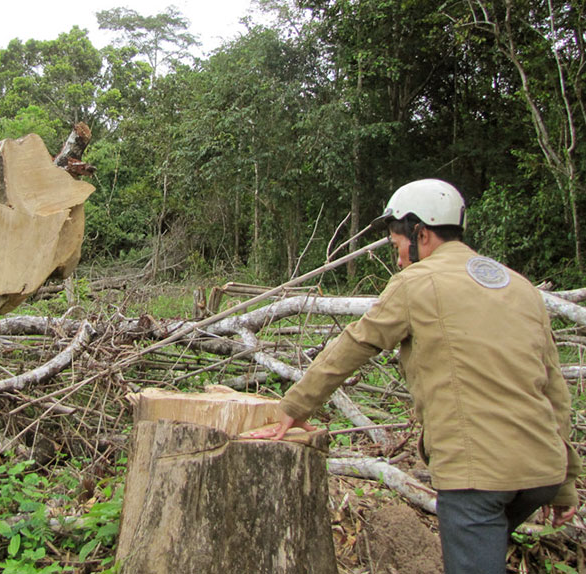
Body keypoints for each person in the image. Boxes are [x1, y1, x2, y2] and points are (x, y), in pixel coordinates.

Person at [245, 179, 581, 574]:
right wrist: (564, 483)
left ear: (420, 232)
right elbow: (554, 387)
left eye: (396, 246)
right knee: (485, 546)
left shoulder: (415, 283)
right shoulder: (519, 286)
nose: (399, 260)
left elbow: (356, 343)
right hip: (542, 471)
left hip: (478, 473)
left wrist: (293, 407)